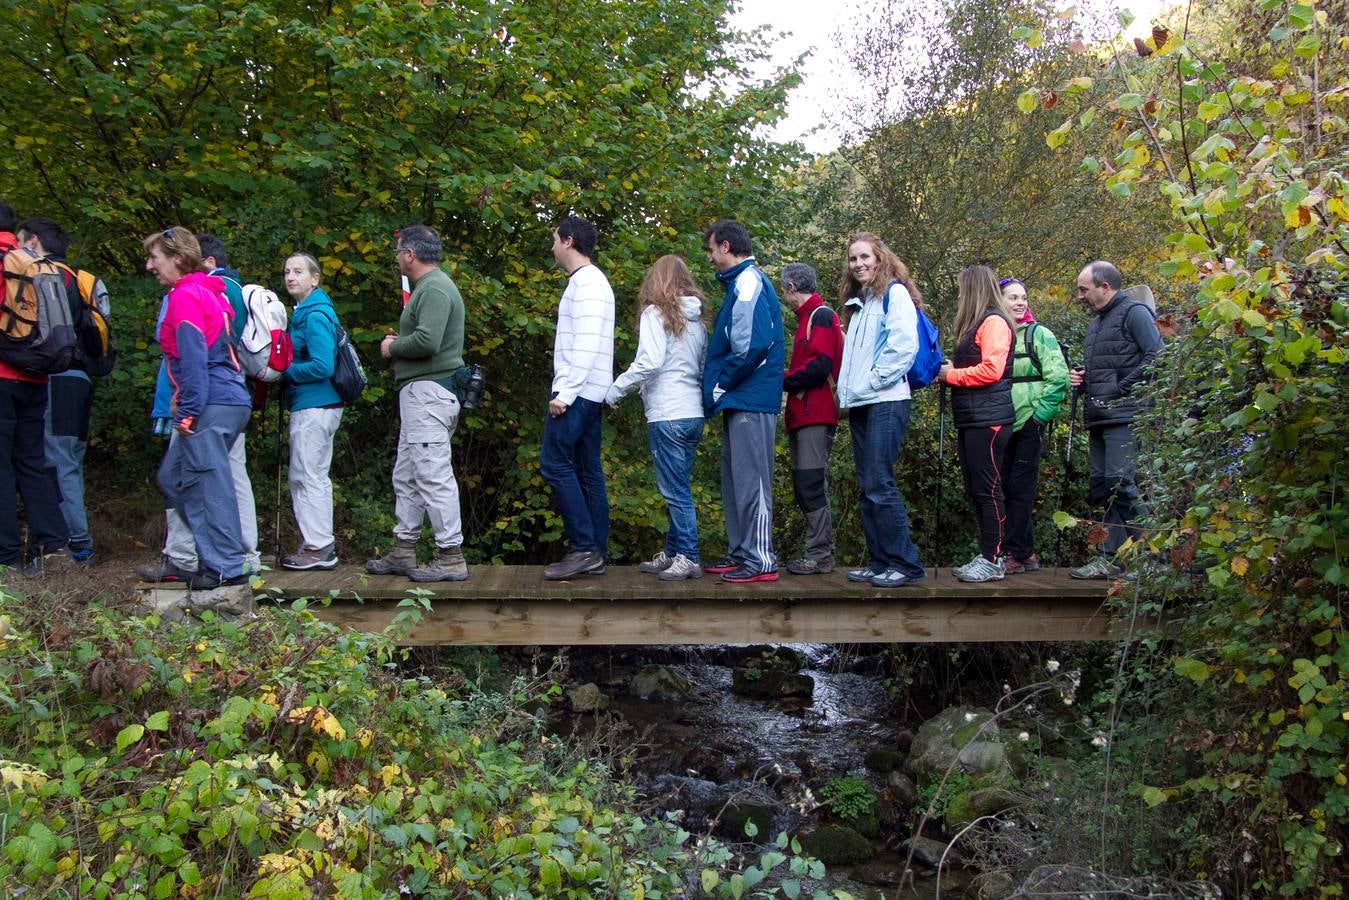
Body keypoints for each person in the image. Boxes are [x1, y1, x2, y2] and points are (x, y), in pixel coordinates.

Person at [135, 234, 261, 582]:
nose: (150, 265)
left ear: (177, 258)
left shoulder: (186, 296)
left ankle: (227, 568)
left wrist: (187, 408)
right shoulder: (207, 292)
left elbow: (194, 356)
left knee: (208, 485)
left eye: (155, 257)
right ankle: (218, 557)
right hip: (226, 399)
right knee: (175, 479)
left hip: (212, 403)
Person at [364, 225, 471, 582]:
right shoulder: (430, 288)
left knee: (433, 474)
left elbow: (428, 340)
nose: (396, 258)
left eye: (398, 251)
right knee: (407, 474)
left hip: (429, 394)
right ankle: (403, 551)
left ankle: (450, 556)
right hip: (421, 394)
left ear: (410, 254)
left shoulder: (436, 288)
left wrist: (392, 347)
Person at [605, 255, 707, 581]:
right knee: (680, 486)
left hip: (667, 414)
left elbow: (649, 361)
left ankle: (688, 556)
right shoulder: (697, 321)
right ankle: (675, 551)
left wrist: (614, 391)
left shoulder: (655, 313)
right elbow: (695, 369)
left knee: (675, 491)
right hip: (692, 412)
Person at [835, 232, 925, 588]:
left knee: (879, 482)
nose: (858, 264)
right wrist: (853, 392)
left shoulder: (894, 294)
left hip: (886, 400)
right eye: (853, 259)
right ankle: (880, 561)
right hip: (862, 402)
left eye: (864, 257)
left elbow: (904, 347)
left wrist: (871, 383)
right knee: (866, 484)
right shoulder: (860, 302)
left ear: (880, 259)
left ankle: (905, 564)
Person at [17, 217, 107, 566]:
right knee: (69, 457)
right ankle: (73, 542)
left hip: (55, 375)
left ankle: (75, 546)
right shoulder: (81, 280)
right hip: (81, 377)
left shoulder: (44, 275)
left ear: (34, 241)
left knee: (58, 461)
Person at [700, 219, 784, 583]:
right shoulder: (739, 284)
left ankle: (761, 559)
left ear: (727, 247)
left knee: (753, 482)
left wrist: (720, 384)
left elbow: (752, 345)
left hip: (750, 397)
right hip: (739, 398)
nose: (710, 257)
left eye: (711, 249)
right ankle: (741, 553)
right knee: (736, 481)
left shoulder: (749, 282)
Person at [1069, 260, 1162, 579]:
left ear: (1105, 287)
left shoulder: (1135, 313)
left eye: (1084, 289)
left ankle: (1154, 559)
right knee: (1101, 486)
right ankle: (1109, 558)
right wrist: (1084, 378)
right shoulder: (1097, 323)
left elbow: (1157, 357)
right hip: (1099, 416)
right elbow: (1110, 365)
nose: (1080, 296)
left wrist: (1120, 388)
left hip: (1125, 413)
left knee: (1120, 483)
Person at [540, 216, 614, 581]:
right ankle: (594, 552)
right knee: (587, 471)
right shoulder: (589, 282)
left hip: (579, 391)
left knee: (554, 463)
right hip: (590, 390)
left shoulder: (587, 283)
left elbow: (584, 343)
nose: (552, 246)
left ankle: (585, 548)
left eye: (555, 239)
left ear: (568, 241)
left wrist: (565, 393)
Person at [0, 201, 70, 574]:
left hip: (2, 374)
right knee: (31, 463)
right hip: (37, 376)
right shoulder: (33, 260)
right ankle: (53, 548)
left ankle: (6, 558)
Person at [937, 265, 1016, 583]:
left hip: (990, 419)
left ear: (973, 289)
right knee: (976, 489)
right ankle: (987, 553)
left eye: (961, 288)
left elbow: (992, 371)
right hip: (972, 417)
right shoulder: (975, 325)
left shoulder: (994, 321)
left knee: (988, 489)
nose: (959, 294)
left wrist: (951, 375)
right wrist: (950, 368)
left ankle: (995, 558)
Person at [998, 277, 1069, 574]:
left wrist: (1039, 417)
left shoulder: (1039, 334)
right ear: (998, 300)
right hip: (1002, 423)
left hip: (1029, 423)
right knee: (1004, 487)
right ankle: (1025, 554)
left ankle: (1017, 552)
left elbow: (1059, 377)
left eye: (1023, 297)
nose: (1020, 303)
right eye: (1013, 297)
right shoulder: (998, 333)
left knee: (1020, 488)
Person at [278, 253, 343, 570]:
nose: (290, 276)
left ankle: (319, 548)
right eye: (287, 271)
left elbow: (322, 365)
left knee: (309, 475)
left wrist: (285, 371)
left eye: (299, 271)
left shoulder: (315, 315)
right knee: (305, 474)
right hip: (313, 404)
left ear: (315, 279)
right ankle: (316, 543)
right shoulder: (305, 312)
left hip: (316, 404)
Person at [779, 262, 843, 575]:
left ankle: (820, 556)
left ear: (791, 287)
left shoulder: (821, 316)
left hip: (815, 414)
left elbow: (820, 367)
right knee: (805, 485)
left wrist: (781, 379)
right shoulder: (808, 318)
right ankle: (818, 553)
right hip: (804, 416)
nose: (785, 298)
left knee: (810, 484)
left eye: (785, 291)